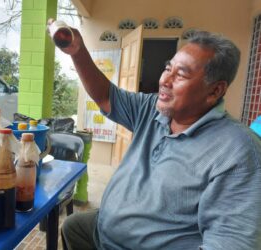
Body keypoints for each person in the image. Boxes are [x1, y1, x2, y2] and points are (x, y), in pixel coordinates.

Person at [48, 19, 261, 249]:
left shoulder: (238, 152)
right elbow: (105, 96)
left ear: (215, 90)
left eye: (181, 74)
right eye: (168, 68)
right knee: (74, 226)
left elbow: (231, 243)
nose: (164, 80)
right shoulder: (151, 109)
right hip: (105, 232)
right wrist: (77, 52)